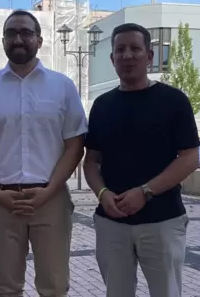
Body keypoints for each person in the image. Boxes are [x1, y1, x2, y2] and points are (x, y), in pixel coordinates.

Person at [0, 9, 87, 297]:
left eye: (26, 33)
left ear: (40, 41)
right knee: (7, 287)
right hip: (2, 200)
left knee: (54, 286)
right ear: (3, 40)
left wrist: (49, 191)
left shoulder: (62, 86)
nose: (18, 39)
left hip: (51, 199)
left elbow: (75, 146)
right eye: (11, 33)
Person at [83, 23, 200, 297]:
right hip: (112, 222)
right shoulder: (102, 106)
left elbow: (190, 156)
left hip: (162, 221)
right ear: (112, 59)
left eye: (135, 49)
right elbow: (91, 161)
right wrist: (102, 194)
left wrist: (145, 192)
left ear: (149, 56)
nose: (127, 55)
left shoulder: (174, 100)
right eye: (120, 50)